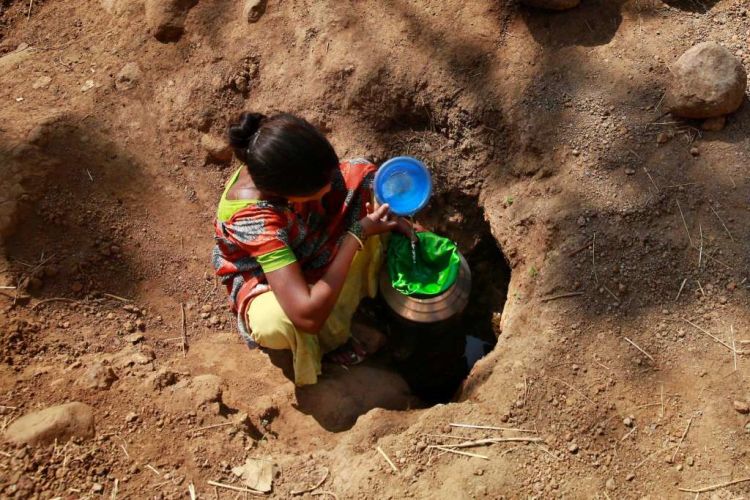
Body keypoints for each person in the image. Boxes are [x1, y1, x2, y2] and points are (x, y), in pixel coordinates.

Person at [212, 112, 403, 386]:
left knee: (370, 184)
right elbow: (307, 315)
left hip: (305, 234)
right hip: (267, 276)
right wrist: (356, 235)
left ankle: (363, 291)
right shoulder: (253, 220)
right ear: (288, 192)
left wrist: (398, 217)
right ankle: (330, 342)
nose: (329, 187)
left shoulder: (277, 166)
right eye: (319, 187)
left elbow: (346, 176)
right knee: (276, 321)